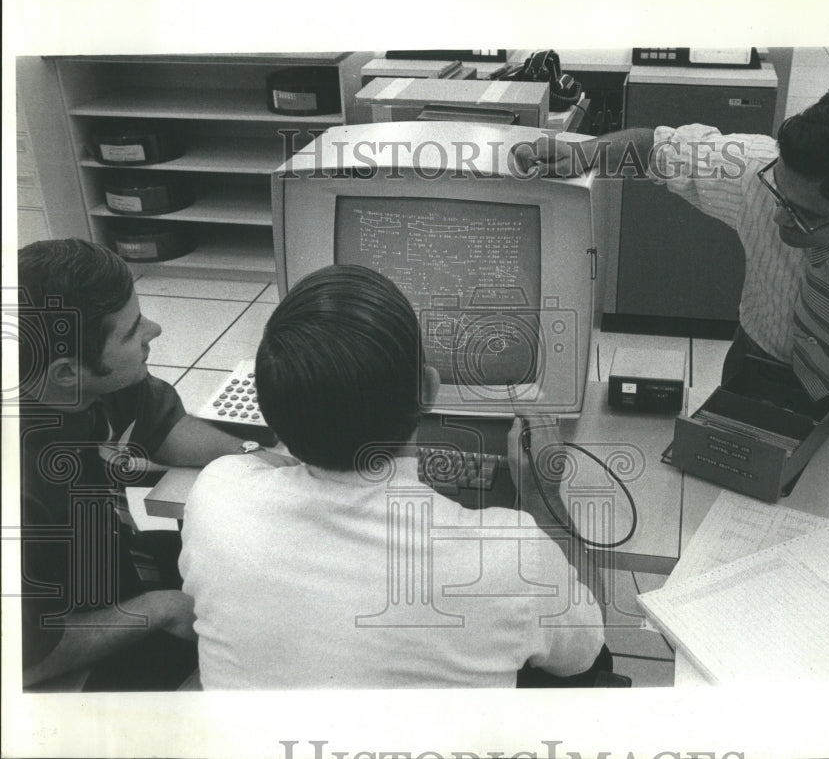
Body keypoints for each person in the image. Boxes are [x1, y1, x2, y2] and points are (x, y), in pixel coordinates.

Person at [178, 264, 607, 689]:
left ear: (268, 405)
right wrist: (541, 495)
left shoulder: (215, 497)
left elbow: (249, 469)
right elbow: (588, 652)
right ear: (429, 389)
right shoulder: (513, 555)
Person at [518, 80, 829, 434]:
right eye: (779, 193)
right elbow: (655, 148)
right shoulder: (756, 169)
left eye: (803, 215)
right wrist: (582, 152)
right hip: (757, 358)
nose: (778, 218)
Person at [17, 238, 290, 691]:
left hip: (107, 564)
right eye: (131, 330)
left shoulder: (96, 383)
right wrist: (159, 608)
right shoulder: (22, 490)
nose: (155, 329)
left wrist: (259, 460)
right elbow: (28, 660)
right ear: (67, 372)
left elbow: (166, 429)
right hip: (49, 648)